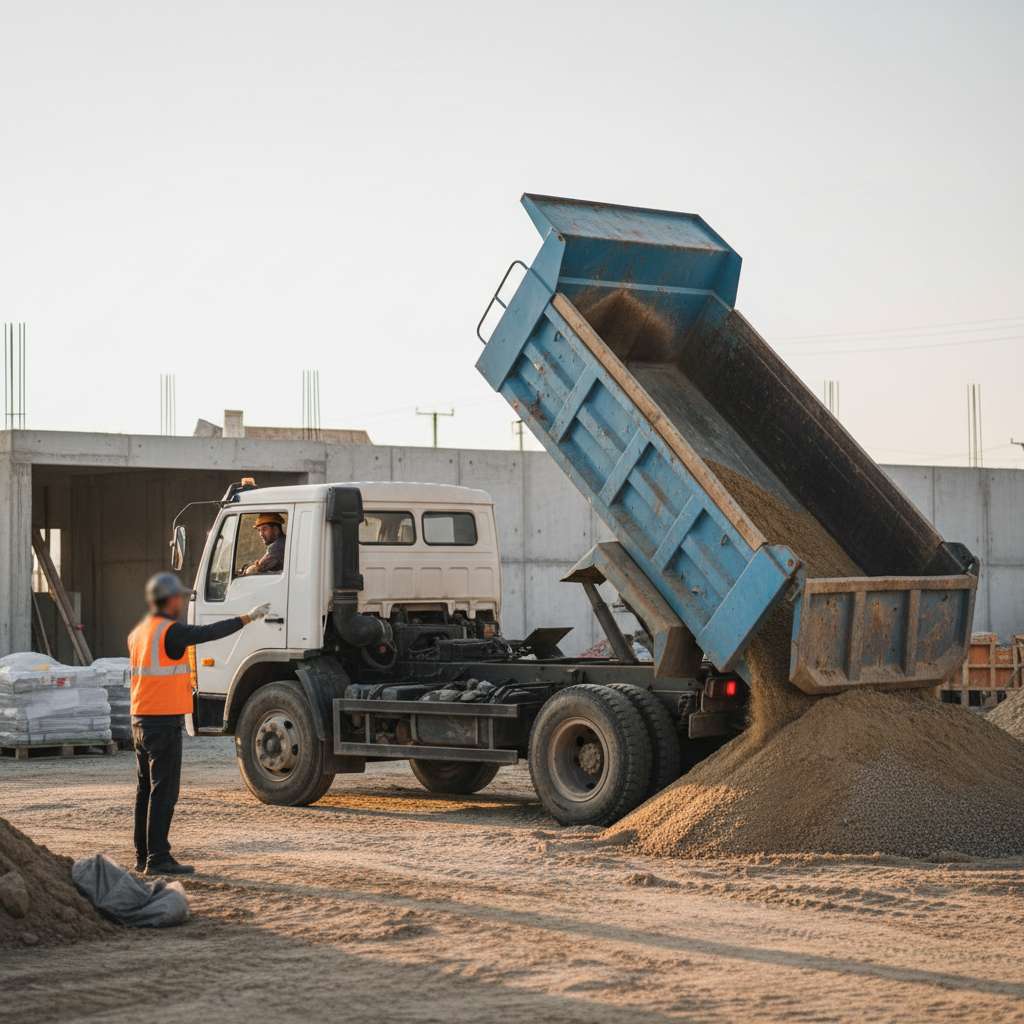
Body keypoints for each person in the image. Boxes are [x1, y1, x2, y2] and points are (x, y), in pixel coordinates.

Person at [128, 572, 268, 876]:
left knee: (145, 791)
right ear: (169, 599)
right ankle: (159, 858)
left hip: (139, 721)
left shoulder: (139, 632)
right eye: (178, 596)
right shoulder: (170, 631)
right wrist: (246, 618)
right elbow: (209, 632)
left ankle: (143, 856)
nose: (181, 601)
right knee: (163, 792)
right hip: (163, 723)